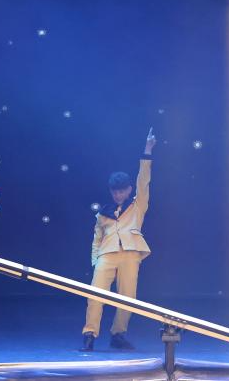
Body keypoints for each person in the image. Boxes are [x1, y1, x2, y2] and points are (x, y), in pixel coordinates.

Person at [81, 128, 156, 351]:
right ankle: (89, 334)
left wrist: (148, 150)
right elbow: (96, 239)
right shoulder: (103, 213)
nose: (118, 195)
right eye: (114, 191)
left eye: (121, 191)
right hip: (106, 255)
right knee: (95, 294)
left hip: (130, 253)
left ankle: (118, 334)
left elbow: (144, 180)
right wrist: (95, 259)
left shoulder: (137, 205)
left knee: (128, 297)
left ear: (129, 190)